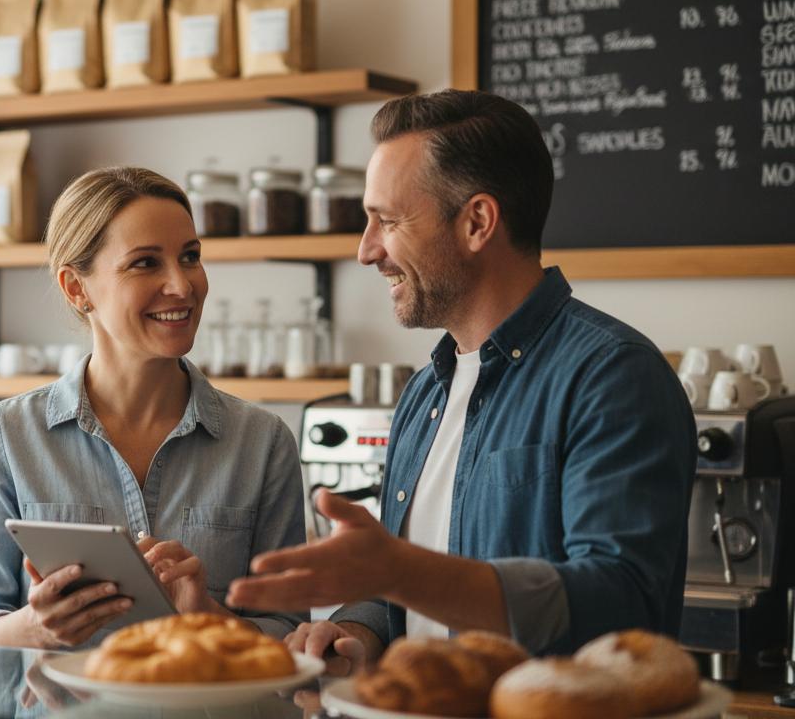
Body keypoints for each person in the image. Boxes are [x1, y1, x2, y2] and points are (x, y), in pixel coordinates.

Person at [226, 89, 696, 672]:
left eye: (388, 221)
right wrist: (357, 627)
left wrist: (398, 570)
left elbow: (620, 602)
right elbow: (415, 577)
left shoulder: (613, 376)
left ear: (477, 221)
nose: (366, 251)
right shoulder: (425, 392)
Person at [0, 166, 305, 649]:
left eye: (190, 257)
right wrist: (33, 628)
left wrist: (207, 619)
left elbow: (289, 637)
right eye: (145, 263)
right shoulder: (3, 437)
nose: (182, 285)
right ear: (77, 288)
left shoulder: (263, 443)